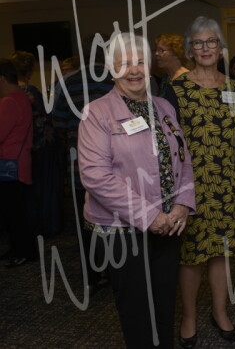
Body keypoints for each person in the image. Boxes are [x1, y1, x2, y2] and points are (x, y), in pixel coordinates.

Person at [78, 32, 195, 348]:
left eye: (140, 62)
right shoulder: (96, 113)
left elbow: (183, 158)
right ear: (111, 68)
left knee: (164, 305)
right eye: (124, 63)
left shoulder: (164, 107)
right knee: (137, 312)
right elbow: (95, 176)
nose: (133, 70)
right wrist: (150, 216)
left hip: (168, 225)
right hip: (122, 231)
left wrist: (183, 204)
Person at [171, 16, 235, 347]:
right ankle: (188, 317)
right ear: (189, 49)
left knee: (221, 253)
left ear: (221, 46)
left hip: (226, 184)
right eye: (198, 43)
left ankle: (219, 312)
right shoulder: (175, 89)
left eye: (211, 41)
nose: (205, 48)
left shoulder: (234, 88)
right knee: (191, 255)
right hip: (190, 186)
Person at [53, 36, 114, 293]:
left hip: (80, 164)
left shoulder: (67, 83)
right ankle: (116, 272)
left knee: (86, 224)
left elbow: (57, 122)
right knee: (116, 221)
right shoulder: (116, 80)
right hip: (114, 166)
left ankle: (92, 276)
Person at [11, 51, 62, 237]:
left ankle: (34, 225)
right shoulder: (30, 91)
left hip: (24, 146)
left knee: (31, 190)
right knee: (47, 187)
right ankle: (49, 225)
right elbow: (48, 116)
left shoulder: (11, 93)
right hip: (43, 144)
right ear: (30, 69)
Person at [0, 59, 35, 267]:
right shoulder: (21, 97)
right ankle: (18, 248)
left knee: (13, 213)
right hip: (17, 163)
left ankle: (24, 251)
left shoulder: (9, 101)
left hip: (9, 165)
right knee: (14, 211)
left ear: (2, 79)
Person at [154, 33, 190, 101]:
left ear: (176, 53)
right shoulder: (166, 78)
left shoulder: (186, 80)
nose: (156, 53)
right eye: (156, 50)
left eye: (161, 50)